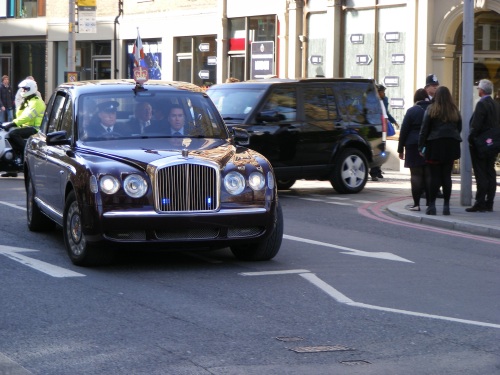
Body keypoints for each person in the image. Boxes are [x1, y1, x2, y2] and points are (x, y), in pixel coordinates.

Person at [418, 86, 462, 216]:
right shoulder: (454, 110)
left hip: (435, 144)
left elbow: (424, 129)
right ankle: (446, 206)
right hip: (451, 144)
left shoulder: (431, 109)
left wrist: (421, 146)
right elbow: (459, 127)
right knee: (446, 176)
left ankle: (431, 205)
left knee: (434, 176)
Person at [466, 79, 500, 212]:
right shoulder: (496, 105)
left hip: (481, 145)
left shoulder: (481, 105)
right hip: (493, 144)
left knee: (481, 173)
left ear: (482, 90)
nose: (478, 90)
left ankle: (480, 202)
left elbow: (476, 125)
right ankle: (489, 202)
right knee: (490, 172)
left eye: (478, 88)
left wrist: (471, 138)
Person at [0, 79, 46, 177]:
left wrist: (12, 124)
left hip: (35, 128)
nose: (23, 91)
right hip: (25, 126)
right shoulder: (28, 101)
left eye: (25, 89)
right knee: (7, 134)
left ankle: (28, 152)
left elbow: (27, 117)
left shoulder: (37, 102)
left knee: (13, 134)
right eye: (22, 89)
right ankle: (11, 167)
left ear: (31, 89)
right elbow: (20, 116)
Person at [398, 88, 431, 211]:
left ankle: (416, 204)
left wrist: (400, 149)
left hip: (413, 144)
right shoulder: (433, 109)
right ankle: (429, 204)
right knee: (428, 174)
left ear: (416, 99)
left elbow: (404, 131)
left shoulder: (411, 111)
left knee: (416, 175)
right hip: (429, 144)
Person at [370, 84, 398, 181]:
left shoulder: (384, 101)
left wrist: (394, 121)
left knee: (381, 150)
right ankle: (374, 172)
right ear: (377, 92)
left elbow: (387, 113)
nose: (384, 93)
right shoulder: (372, 101)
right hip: (375, 129)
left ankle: (378, 170)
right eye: (382, 91)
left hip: (383, 129)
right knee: (376, 150)